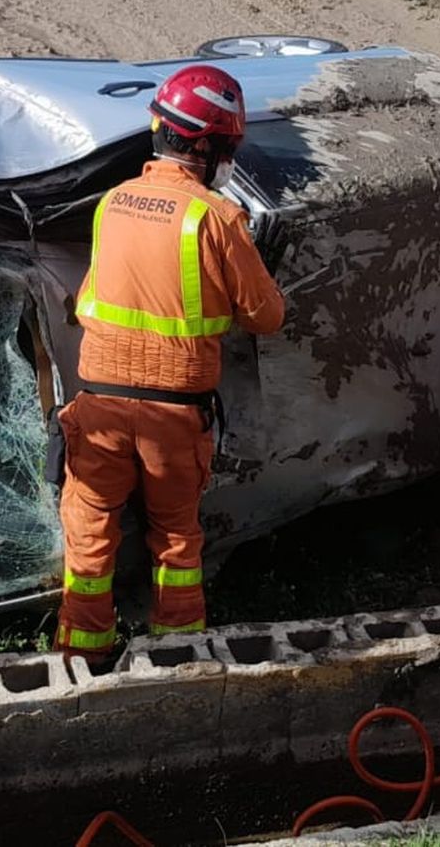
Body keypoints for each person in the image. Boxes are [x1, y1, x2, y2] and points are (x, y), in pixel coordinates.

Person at [54, 65, 284, 663]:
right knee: (177, 537)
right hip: (173, 414)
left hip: (98, 404)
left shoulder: (112, 203)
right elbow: (266, 318)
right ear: (207, 146)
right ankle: (178, 653)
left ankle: (84, 652)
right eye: (229, 147)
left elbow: (89, 301)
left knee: (89, 529)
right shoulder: (217, 217)